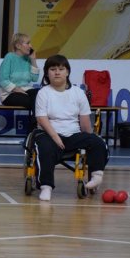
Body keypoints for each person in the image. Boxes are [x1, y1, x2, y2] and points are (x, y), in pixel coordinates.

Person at [34, 54, 109, 201]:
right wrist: (55, 137)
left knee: (98, 142)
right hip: (49, 134)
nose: (57, 72)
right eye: (53, 69)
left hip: (73, 135)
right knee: (45, 147)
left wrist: (90, 139)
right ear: (47, 73)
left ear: (67, 72)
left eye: (61, 69)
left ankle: (96, 176)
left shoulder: (78, 93)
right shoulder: (43, 93)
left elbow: (85, 123)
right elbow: (41, 119)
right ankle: (46, 187)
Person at [0, 33, 40, 110]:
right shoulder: (9, 57)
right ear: (18, 46)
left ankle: (37, 118)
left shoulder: (28, 59)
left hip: (25, 90)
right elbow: (3, 80)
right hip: (9, 94)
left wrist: (33, 60)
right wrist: (17, 89)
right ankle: (36, 118)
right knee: (29, 101)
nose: (30, 46)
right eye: (27, 43)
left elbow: (34, 79)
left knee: (40, 95)